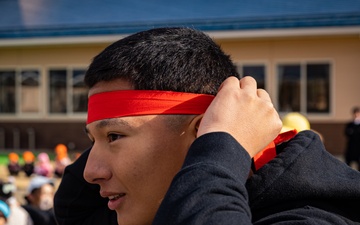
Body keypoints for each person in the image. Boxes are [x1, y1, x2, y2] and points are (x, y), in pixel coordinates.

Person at [54, 27, 360, 225]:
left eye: (114, 135)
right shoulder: (156, 201)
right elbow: (75, 212)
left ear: (203, 132)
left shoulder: (314, 217)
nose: (89, 172)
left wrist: (221, 145)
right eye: (93, 140)